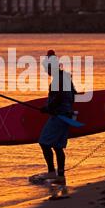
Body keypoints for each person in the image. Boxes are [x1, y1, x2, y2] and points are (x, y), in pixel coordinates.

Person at [37, 50, 77, 185]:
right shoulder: (65, 77)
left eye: (46, 68)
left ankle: (52, 172)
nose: (45, 70)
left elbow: (59, 96)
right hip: (66, 116)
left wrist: (48, 108)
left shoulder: (59, 79)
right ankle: (60, 176)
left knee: (44, 142)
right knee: (57, 146)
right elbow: (73, 95)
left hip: (59, 117)